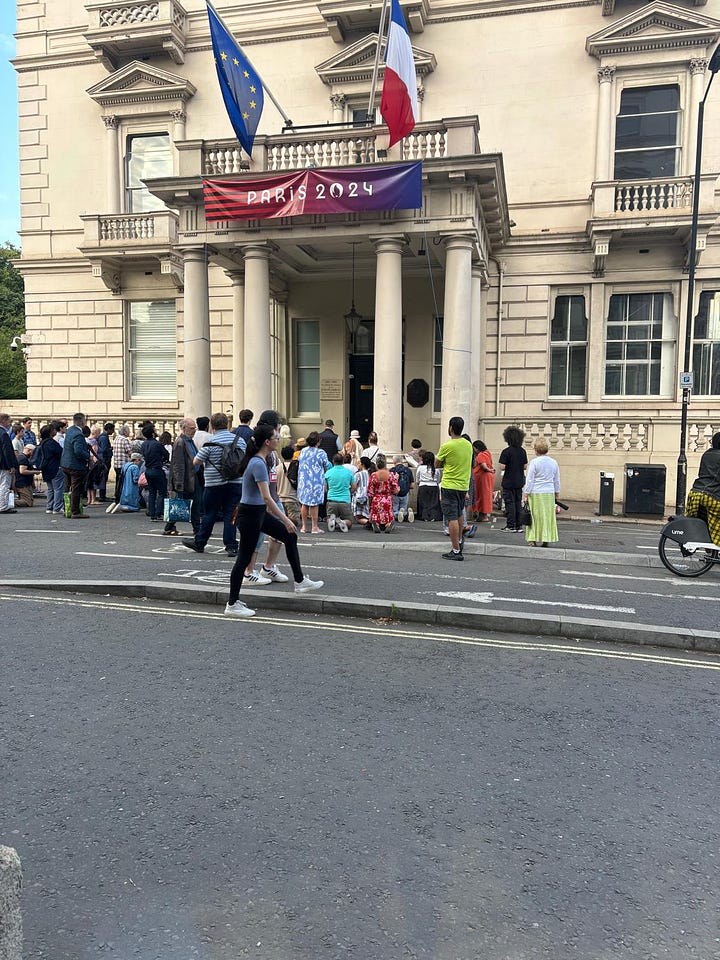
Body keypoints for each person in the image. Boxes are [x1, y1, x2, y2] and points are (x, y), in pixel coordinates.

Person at [224, 424, 324, 618]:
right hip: (251, 515)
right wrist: (286, 519)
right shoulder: (258, 463)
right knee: (243, 559)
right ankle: (232, 603)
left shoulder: (258, 460)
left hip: (256, 513)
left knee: (290, 537)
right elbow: (267, 497)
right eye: (276, 437)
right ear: (267, 442)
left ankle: (300, 582)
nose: (279, 440)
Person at [183, 412, 243, 555]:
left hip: (214, 484)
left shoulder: (210, 442)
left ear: (212, 426)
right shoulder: (239, 441)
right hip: (235, 482)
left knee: (210, 513)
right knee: (230, 515)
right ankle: (231, 546)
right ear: (227, 425)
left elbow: (196, 461)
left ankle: (200, 542)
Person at [436, 416, 473, 560]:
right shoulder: (468, 444)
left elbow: (437, 464)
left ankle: (456, 550)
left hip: (449, 484)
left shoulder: (447, 446)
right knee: (459, 514)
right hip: (463, 485)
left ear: (451, 427)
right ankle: (460, 540)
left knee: (451, 517)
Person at [163, 418, 202, 537]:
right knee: (185, 503)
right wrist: (179, 483)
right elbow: (178, 464)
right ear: (184, 428)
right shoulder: (180, 442)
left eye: (195, 428)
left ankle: (171, 526)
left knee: (189, 503)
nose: (194, 430)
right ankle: (196, 529)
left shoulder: (190, 441)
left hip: (193, 476)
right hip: (186, 479)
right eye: (191, 428)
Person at [524, 438, 561, 547]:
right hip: (549, 492)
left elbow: (530, 479)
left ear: (536, 450)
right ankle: (546, 539)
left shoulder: (534, 462)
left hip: (536, 492)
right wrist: (557, 493)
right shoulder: (553, 462)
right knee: (547, 516)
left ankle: (532, 539)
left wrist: (526, 493)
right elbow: (556, 479)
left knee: (535, 516)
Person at [686, 431, 720, 545]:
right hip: (710, 496)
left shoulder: (706, 454)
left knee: (706, 520)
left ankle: (711, 550)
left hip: (695, 493)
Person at [297, 431, 330, 534]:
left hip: (304, 479)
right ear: (318, 441)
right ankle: (314, 527)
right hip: (316, 480)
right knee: (314, 504)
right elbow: (327, 465)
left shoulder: (303, 451)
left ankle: (303, 526)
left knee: (304, 503)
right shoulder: (321, 453)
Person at [60, 412, 91, 519]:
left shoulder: (70, 431)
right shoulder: (78, 434)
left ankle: (66, 509)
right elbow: (78, 451)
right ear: (83, 422)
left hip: (65, 463)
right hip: (75, 465)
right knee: (76, 489)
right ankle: (75, 511)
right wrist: (88, 456)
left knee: (67, 487)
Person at [498, 425, 528, 533]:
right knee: (517, 503)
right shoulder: (522, 451)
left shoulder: (506, 451)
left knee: (509, 503)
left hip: (509, 481)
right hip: (519, 480)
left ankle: (511, 525)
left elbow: (502, 466)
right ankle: (519, 525)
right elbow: (525, 466)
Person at [140, 424, 169, 521]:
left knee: (152, 492)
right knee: (162, 492)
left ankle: (152, 513)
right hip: (157, 469)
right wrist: (163, 460)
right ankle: (158, 513)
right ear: (152, 433)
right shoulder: (157, 444)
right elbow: (166, 454)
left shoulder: (143, 444)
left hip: (148, 470)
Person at [36, 423, 64, 514]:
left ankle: (49, 507)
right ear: (50, 432)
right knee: (58, 488)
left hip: (46, 468)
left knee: (51, 489)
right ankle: (57, 508)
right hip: (54, 467)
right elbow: (60, 452)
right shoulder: (51, 443)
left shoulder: (42, 443)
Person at [325, 452, 357, 532]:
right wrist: (348, 492)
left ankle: (332, 521)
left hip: (331, 500)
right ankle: (342, 522)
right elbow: (354, 487)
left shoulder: (328, 472)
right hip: (345, 500)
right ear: (343, 461)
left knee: (329, 518)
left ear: (333, 461)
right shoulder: (348, 472)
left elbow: (325, 488)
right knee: (349, 522)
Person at [367, 455, 399, 533]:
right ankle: (388, 524)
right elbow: (396, 490)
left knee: (376, 515)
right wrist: (396, 479)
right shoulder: (390, 475)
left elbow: (370, 491)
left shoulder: (373, 475)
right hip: (387, 499)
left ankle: (376, 524)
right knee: (388, 515)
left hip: (377, 498)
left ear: (377, 464)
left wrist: (370, 501)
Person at [109, 425, 132, 511]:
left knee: (118, 482)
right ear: (125, 432)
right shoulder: (125, 440)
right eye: (128, 431)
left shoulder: (116, 439)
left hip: (116, 464)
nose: (129, 433)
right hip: (124, 464)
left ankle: (117, 497)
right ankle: (121, 499)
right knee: (123, 483)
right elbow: (130, 452)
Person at [415, 450, 443, 521]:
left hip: (423, 486)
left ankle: (424, 516)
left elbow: (417, 478)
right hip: (433, 486)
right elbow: (438, 480)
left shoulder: (420, 468)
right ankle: (434, 516)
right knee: (434, 504)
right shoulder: (436, 470)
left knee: (424, 503)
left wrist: (419, 483)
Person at [277, 444, 301, 525]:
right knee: (293, 523)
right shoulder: (296, 467)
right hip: (292, 499)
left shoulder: (277, 468)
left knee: (282, 522)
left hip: (280, 499)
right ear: (292, 455)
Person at [472, 440, 495, 522]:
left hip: (482, 478)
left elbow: (483, 466)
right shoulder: (487, 453)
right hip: (488, 478)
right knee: (486, 496)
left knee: (481, 496)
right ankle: (483, 515)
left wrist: (490, 470)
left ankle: (483, 516)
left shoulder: (481, 455)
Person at [0, 413, 17, 513]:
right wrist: (11, 465)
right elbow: (7, 451)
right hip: (3, 464)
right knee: (4, 485)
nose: (10, 423)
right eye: (8, 421)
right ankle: (3, 506)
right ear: (3, 421)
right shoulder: (4, 434)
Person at [390, 454, 414, 523]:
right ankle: (406, 514)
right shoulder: (408, 470)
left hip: (395, 494)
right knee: (403, 508)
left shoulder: (392, 470)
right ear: (402, 461)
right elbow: (412, 485)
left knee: (395, 509)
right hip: (405, 494)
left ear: (394, 461)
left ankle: (397, 514)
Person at [95, 422, 114, 502]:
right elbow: (103, 449)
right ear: (108, 429)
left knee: (104, 478)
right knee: (103, 478)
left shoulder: (103, 437)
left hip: (104, 459)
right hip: (105, 460)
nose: (113, 431)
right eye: (112, 429)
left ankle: (103, 495)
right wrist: (110, 449)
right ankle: (102, 496)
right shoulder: (104, 438)